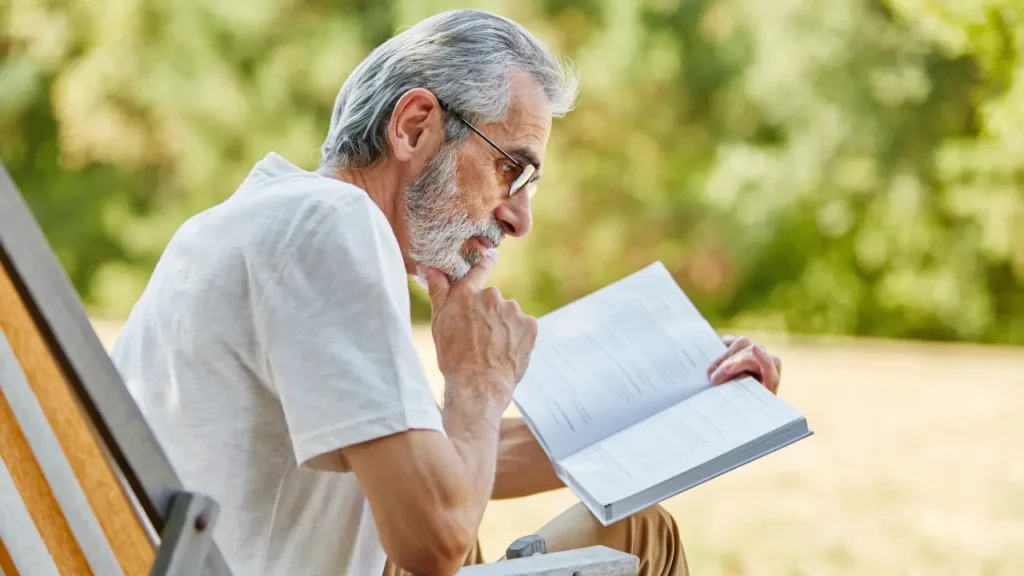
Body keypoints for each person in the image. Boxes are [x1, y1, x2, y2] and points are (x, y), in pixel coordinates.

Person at [111, 9, 783, 576]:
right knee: (641, 537)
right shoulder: (332, 225)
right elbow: (433, 536)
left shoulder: (263, 219)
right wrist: (479, 380)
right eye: (511, 169)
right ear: (413, 127)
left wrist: (682, 402)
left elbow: (430, 459)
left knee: (618, 525)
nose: (520, 217)